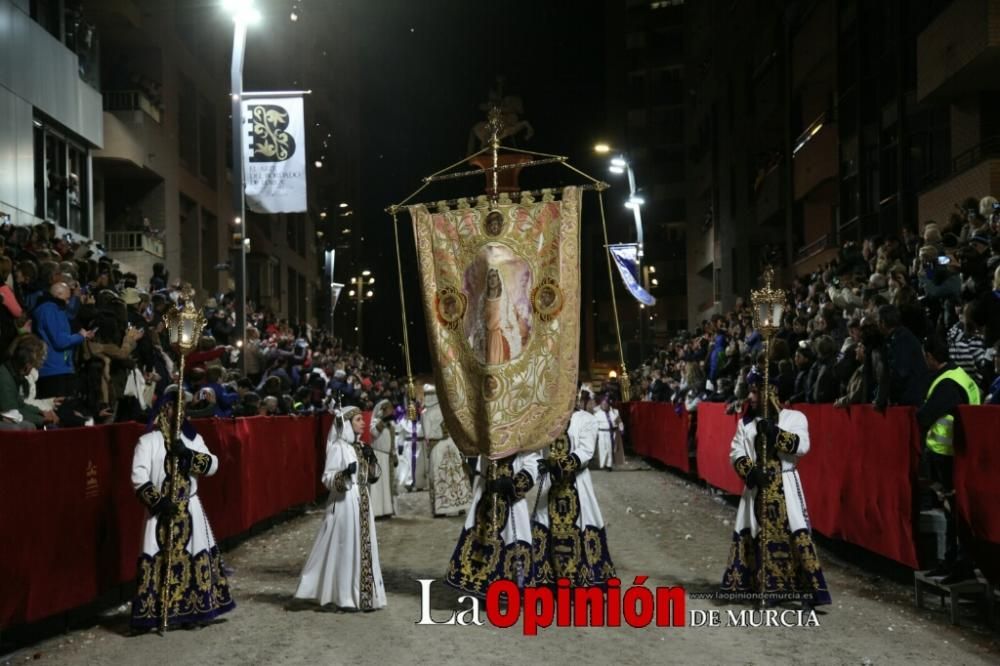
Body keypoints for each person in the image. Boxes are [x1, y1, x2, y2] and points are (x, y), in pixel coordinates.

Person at [720, 368, 831, 607]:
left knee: (794, 530)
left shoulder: (795, 418)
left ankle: (802, 589)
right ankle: (760, 586)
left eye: (755, 391)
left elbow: (802, 446)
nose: (750, 397)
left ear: (769, 391)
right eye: (749, 392)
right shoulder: (746, 424)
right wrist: (750, 471)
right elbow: (736, 451)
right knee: (756, 532)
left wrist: (775, 434)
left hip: (786, 484)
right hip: (757, 487)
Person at [130, 385, 235, 630]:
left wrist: (188, 455)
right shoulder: (148, 442)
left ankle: (195, 611)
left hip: (190, 508)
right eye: (172, 408)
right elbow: (139, 477)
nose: (177, 414)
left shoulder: (193, 439)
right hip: (161, 512)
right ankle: (157, 614)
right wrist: (157, 501)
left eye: (181, 409)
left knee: (194, 553)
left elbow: (213, 465)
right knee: (159, 557)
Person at [294, 406, 387, 611]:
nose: (363, 423)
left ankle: (365, 596)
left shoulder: (362, 446)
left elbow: (371, 477)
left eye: (363, 420)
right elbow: (328, 478)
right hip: (345, 503)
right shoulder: (337, 447)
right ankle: (343, 595)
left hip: (362, 501)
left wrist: (371, 462)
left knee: (363, 546)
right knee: (345, 546)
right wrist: (345, 474)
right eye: (358, 420)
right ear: (347, 424)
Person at [532, 389, 616, 587]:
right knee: (545, 526)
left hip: (577, 484)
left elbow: (586, 450)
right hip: (551, 486)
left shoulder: (586, 419)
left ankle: (582, 582)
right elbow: (537, 449)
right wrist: (540, 465)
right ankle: (547, 581)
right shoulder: (547, 419)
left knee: (581, 524)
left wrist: (559, 465)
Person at [916, 336, 981, 584]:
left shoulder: (947, 384)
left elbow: (925, 416)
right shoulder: (959, 376)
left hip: (950, 456)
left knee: (956, 513)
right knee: (952, 512)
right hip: (960, 453)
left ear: (931, 357)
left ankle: (961, 565)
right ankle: (952, 561)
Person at [446, 448, 542, 597]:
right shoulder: (488, 435)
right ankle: (479, 586)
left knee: (511, 539)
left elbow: (532, 463)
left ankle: (508, 589)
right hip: (485, 495)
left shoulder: (525, 439)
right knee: (480, 541)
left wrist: (512, 484)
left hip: (512, 502)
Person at [33, 282, 94, 398]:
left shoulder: (57, 309)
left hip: (62, 368)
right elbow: (59, 341)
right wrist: (80, 336)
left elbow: (68, 320)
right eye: (66, 299)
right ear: (57, 294)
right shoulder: (48, 310)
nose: (67, 302)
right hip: (53, 371)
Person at [423, 384, 472, 516]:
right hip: (452, 444)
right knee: (457, 475)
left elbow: (427, 434)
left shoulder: (427, 414)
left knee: (439, 475)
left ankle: (441, 509)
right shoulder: (449, 409)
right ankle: (460, 505)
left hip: (438, 447)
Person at [368, 399, 397, 519]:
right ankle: (377, 511)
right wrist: (382, 422)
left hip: (387, 457)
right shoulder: (375, 422)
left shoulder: (391, 425)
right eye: (389, 409)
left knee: (387, 485)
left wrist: (394, 455)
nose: (391, 411)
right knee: (378, 485)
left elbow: (392, 441)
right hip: (378, 456)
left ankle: (387, 510)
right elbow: (374, 433)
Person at [396, 401, 425, 491]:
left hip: (419, 445)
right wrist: (400, 446)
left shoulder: (421, 422)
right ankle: (409, 483)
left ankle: (419, 483)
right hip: (408, 446)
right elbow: (401, 435)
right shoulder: (403, 422)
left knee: (419, 465)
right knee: (409, 465)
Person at [593, 392, 625, 469]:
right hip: (601, 433)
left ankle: (609, 465)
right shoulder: (597, 414)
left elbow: (619, 421)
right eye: (602, 404)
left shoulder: (614, 412)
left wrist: (621, 429)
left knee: (609, 449)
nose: (604, 405)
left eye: (605, 404)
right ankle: (602, 464)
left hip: (610, 433)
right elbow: (594, 426)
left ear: (608, 404)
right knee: (602, 449)